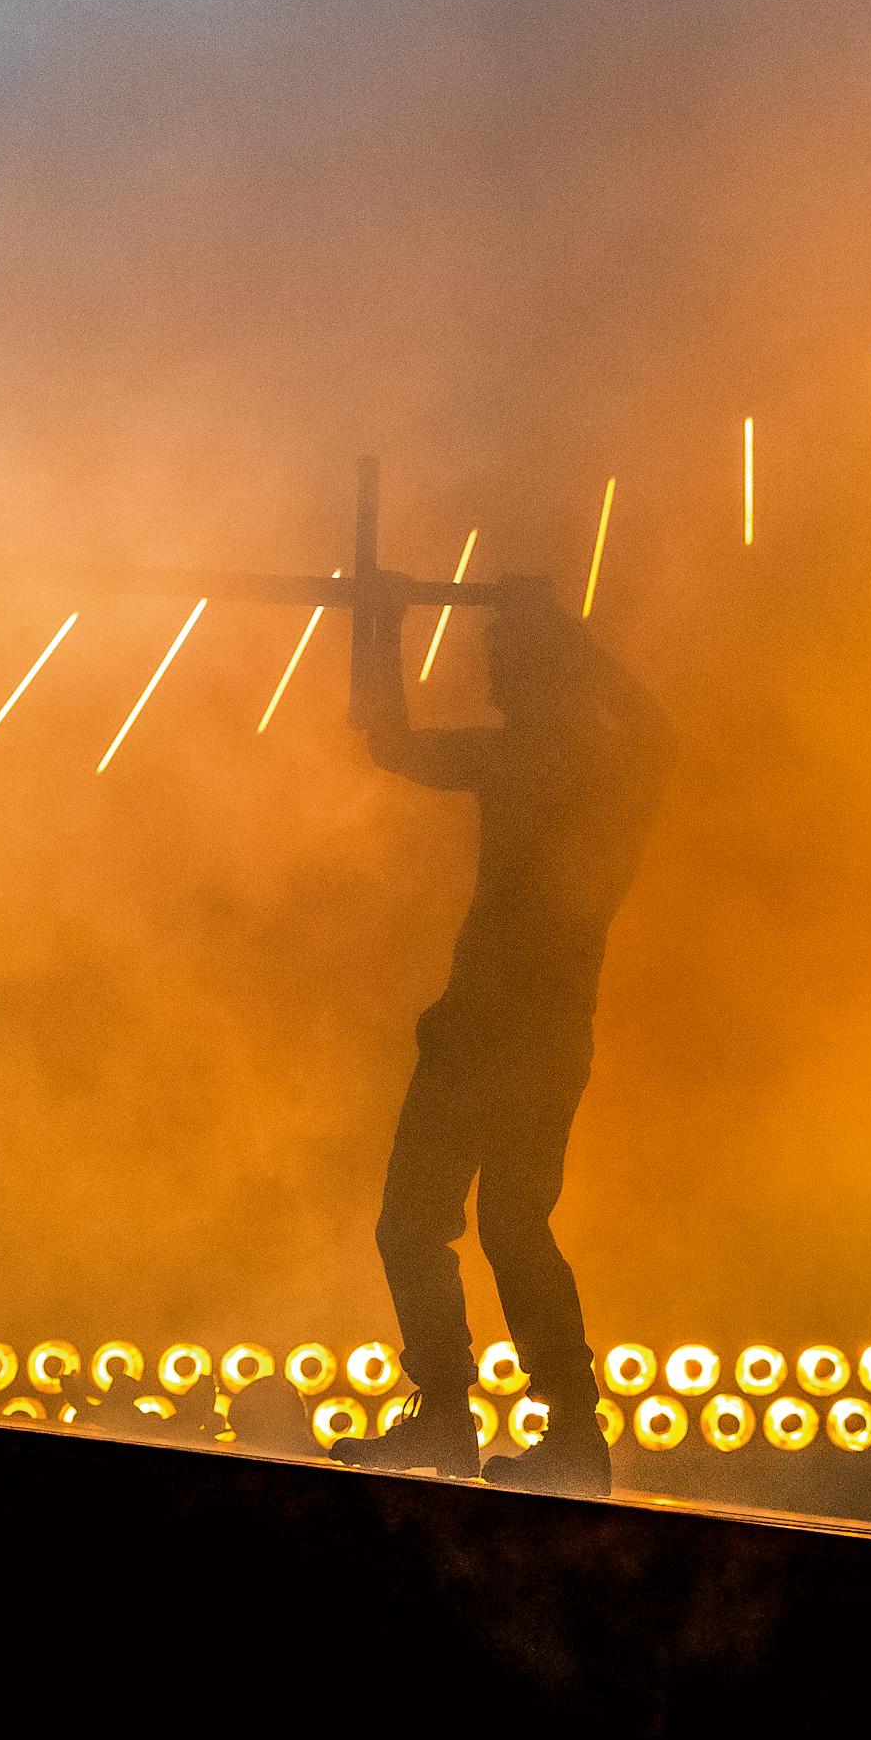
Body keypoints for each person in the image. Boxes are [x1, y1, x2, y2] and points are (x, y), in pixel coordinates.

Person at [331, 570, 669, 1492]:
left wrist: (384, 626)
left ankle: (454, 1414)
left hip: (490, 1028)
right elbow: (655, 730)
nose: (494, 683)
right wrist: (552, 627)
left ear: (539, 677)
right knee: (509, 1226)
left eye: (507, 664)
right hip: (546, 1032)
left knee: (418, 1225)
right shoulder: (612, 769)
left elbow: (390, 742)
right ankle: (561, 1432)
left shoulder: (537, 761)